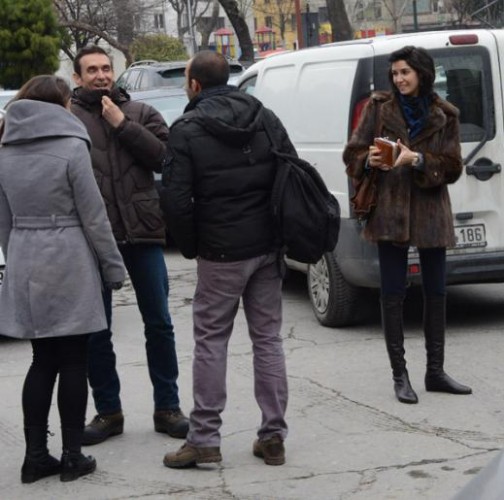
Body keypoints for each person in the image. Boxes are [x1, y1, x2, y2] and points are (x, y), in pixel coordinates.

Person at [160, 50, 295, 468]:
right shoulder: (264, 117)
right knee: (268, 340)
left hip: (220, 250)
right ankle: (273, 436)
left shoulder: (186, 129)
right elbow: (290, 172)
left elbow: (175, 200)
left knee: (211, 341)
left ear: (195, 84)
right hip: (267, 246)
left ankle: (204, 439)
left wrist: (192, 246)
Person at [0, 75, 126, 482]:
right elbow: (94, 216)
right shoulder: (72, 146)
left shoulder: (4, 149)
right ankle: (73, 456)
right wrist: (113, 267)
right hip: (68, 255)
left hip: (25, 255)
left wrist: (18, 258)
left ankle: (35, 457)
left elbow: (3, 221)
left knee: (41, 360)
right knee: (74, 360)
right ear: (59, 105)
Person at [71, 45, 189, 445]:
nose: (101, 75)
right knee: (96, 331)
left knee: (159, 323)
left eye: (106, 68)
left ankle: (167, 408)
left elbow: (167, 160)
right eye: (92, 70)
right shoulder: (68, 118)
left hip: (143, 232)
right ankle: (109, 412)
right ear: (77, 77)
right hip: (94, 238)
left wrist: (123, 125)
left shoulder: (140, 112)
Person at [343, 46, 472, 404]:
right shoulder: (378, 108)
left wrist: (418, 160)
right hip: (390, 212)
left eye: (405, 72)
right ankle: (400, 376)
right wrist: (367, 159)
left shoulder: (445, 114)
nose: (399, 79)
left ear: (421, 73)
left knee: (436, 291)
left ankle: (435, 372)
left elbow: (453, 167)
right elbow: (351, 154)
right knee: (392, 292)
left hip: (431, 213)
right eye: (395, 73)